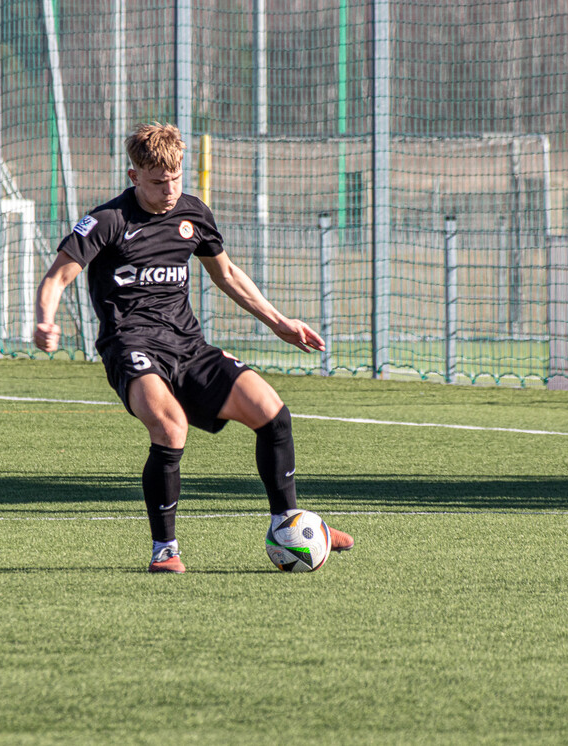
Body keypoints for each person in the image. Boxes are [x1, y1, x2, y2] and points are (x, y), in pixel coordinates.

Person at [34, 122, 353, 573]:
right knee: (170, 426)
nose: (169, 190)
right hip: (131, 347)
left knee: (272, 411)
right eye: (158, 181)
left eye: (176, 178)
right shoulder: (108, 221)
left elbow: (227, 276)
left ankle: (291, 521)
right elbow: (58, 275)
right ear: (134, 177)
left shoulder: (193, 214)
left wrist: (279, 322)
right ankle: (164, 550)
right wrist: (44, 319)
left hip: (188, 346)